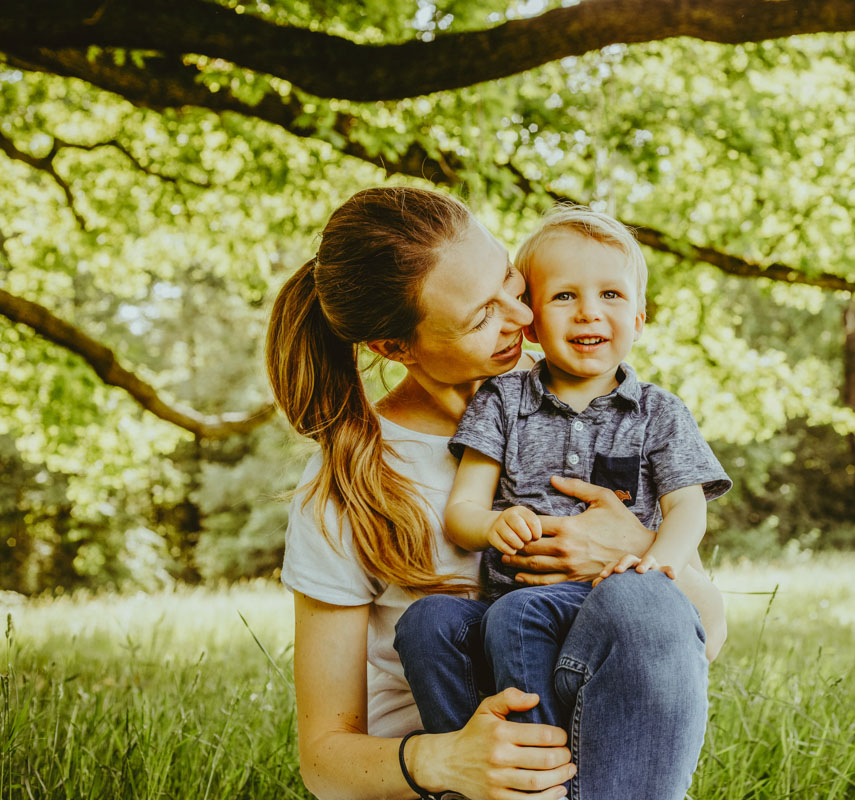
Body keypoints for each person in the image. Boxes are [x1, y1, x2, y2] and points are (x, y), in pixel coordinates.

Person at [266, 186, 725, 800]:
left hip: (602, 750)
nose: (522, 316)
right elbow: (324, 760)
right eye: (482, 316)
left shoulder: (590, 408)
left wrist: (633, 546)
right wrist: (445, 761)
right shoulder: (348, 486)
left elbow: (700, 638)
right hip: (460, 773)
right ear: (394, 348)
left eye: (511, 281)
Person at [392, 206, 729, 745]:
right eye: (565, 296)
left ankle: (544, 776)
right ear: (532, 320)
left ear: (639, 319)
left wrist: (657, 566)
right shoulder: (503, 401)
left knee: (518, 616)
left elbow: (688, 505)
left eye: (611, 295)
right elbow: (464, 511)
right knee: (426, 621)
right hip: (507, 606)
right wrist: (492, 526)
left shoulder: (659, 413)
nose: (589, 313)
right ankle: (476, 769)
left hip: (604, 608)